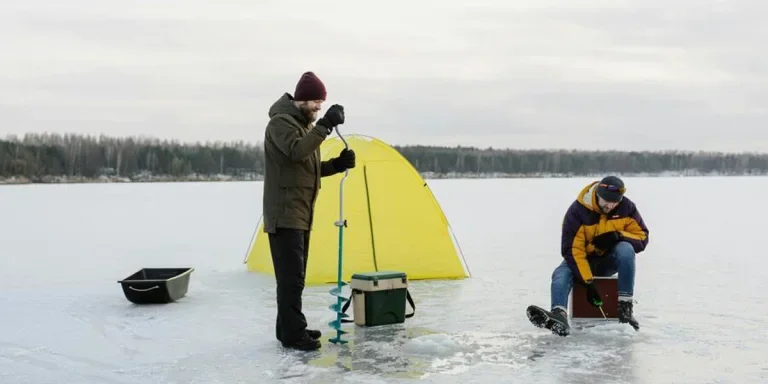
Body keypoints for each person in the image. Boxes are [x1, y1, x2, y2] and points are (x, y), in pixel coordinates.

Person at [262, 71, 356, 351]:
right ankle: (293, 335)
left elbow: (308, 168)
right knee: (291, 280)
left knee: (294, 279)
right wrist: (326, 125)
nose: (318, 107)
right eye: (315, 101)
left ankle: (290, 328)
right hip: (284, 214)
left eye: (321, 102)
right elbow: (297, 152)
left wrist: (336, 165)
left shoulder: (303, 127)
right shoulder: (281, 124)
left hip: (300, 213)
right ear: (301, 100)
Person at [526, 176, 649, 336]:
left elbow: (642, 237)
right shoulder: (577, 212)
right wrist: (588, 283)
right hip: (583, 261)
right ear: (597, 194)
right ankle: (559, 315)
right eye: (607, 200)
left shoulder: (626, 207)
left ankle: (625, 308)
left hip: (608, 261)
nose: (611, 205)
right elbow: (572, 250)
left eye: (615, 202)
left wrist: (618, 235)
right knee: (560, 274)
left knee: (626, 248)